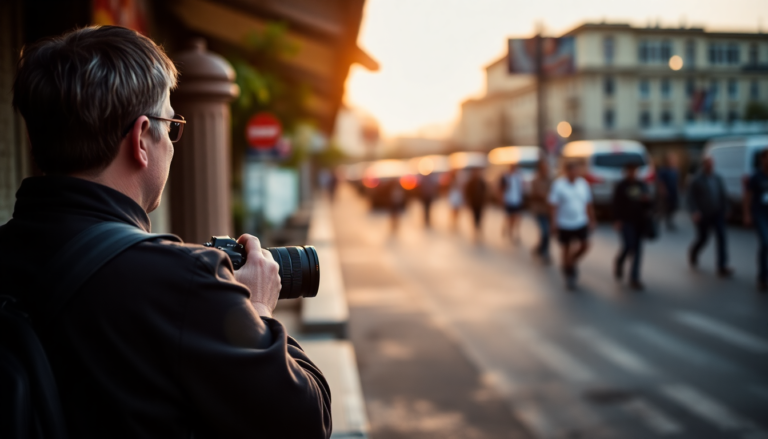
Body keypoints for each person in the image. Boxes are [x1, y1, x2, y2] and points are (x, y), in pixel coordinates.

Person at [1, 26, 331, 438]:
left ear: (32, 138)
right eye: (171, 125)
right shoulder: (183, 281)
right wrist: (259, 311)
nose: (172, 142)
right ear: (142, 138)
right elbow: (307, 421)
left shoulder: (6, 253)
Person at [549, 161, 596, 290]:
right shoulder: (559, 185)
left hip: (580, 221)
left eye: (576, 170)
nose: (574, 173)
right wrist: (553, 223)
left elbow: (588, 203)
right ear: (567, 171)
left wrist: (592, 219)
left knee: (585, 245)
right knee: (566, 248)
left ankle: (571, 262)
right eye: (572, 170)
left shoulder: (583, 184)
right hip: (564, 223)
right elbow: (554, 206)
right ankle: (569, 273)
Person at [687, 156, 733, 277]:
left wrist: (726, 209)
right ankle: (694, 252)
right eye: (708, 164)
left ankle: (722, 266)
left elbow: (723, 195)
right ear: (704, 165)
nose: (710, 167)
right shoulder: (696, 179)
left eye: (712, 164)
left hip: (717, 213)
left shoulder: (718, 178)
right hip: (703, 215)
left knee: (722, 237)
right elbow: (691, 198)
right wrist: (694, 211)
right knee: (703, 238)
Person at [612, 162, 653, 290]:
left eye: (634, 171)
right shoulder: (621, 186)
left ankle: (634, 278)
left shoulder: (641, 185)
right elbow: (615, 204)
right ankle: (620, 261)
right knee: (629, 245)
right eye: (630, 171)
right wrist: (617, 220)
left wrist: (646, 200)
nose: (632, 173)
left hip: (639, 221)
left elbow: (649, 205)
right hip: (626, 221)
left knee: (638, 249)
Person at [743, 149, 768, 292]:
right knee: (765, 242)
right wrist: (747, 214)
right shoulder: (756, 177)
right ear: (763, 160)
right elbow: (747, 196)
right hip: (760, 214)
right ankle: (762, 277)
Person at [529, 159, 553, 262]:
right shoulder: (535, 180)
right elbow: (536, 194)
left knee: (547, 232)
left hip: (549, 210)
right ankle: (544, 252)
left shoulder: (551, 180)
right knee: (544, 231)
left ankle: (540, 248)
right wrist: (545, 197)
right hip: (539, 210)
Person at [499, 163, 525, 243]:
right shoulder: (505, 177)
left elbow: (521, 188)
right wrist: (502, 198)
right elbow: (501, 188)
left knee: (516, 217)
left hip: (517, 200)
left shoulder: (518, 177)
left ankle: (513, 232)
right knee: (509, 217)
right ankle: (508, 229)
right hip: (509, 200)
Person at [656, 152, 681, 230]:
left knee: (673, 207)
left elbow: (677, 181)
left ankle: (670, 221)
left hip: (674, 192)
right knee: (665, 208)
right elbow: (661, 182)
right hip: (667, 192)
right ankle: (663, 221)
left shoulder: (675, 169)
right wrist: (663, 191)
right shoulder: (663, 170)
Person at [464, 168, 488, 243]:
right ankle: (475, 230)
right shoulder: (470, 182)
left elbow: (486, 192)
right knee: (474, 217)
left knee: (480, 217)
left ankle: (479, 229)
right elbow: (467, 192)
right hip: (473, 203)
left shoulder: (482, 182)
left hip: (480, 203)